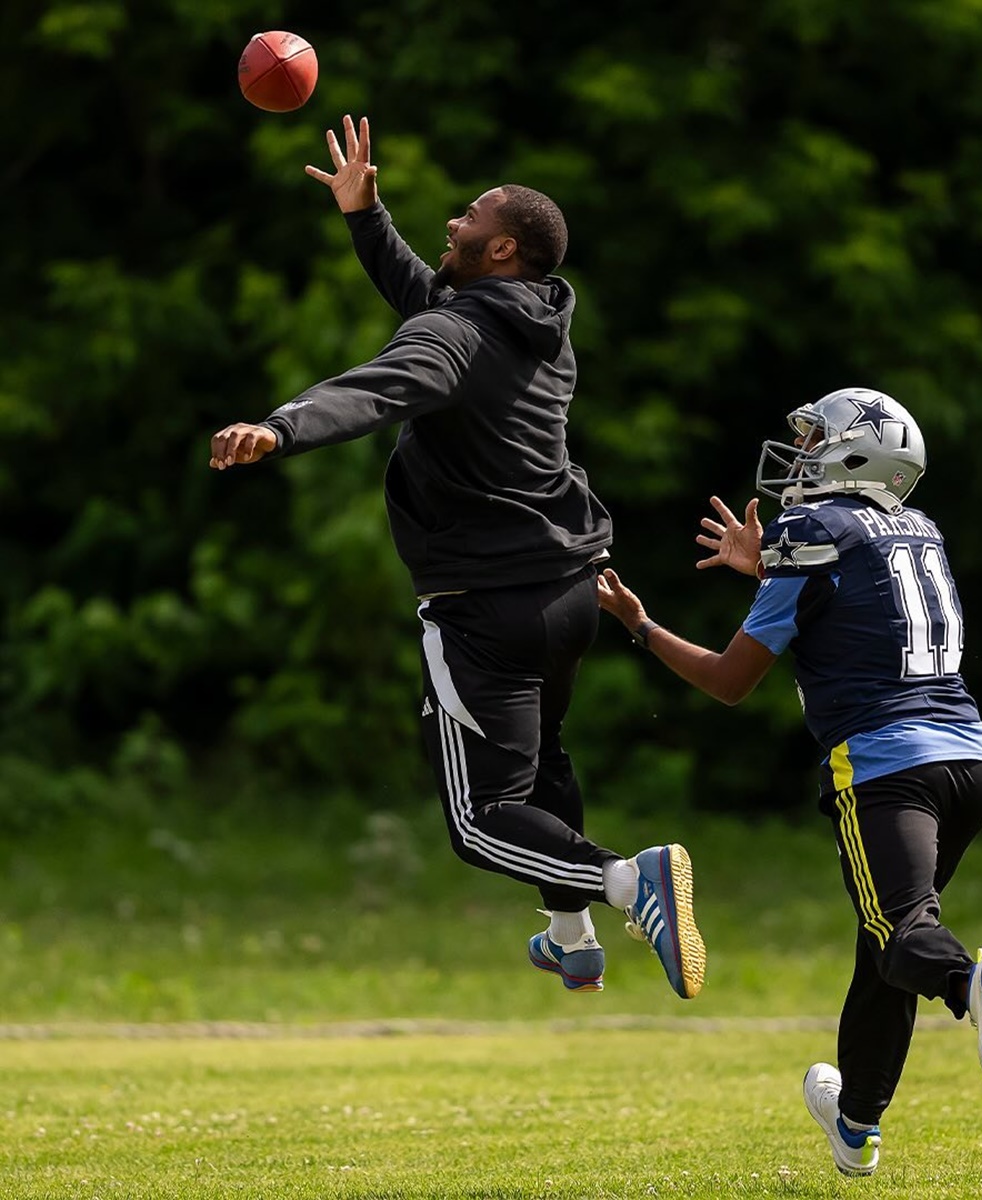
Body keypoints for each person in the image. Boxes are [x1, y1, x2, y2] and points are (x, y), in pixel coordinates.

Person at [208, 114, 705, 1002]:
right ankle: (572, 936)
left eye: (470, 217)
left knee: (480, 823)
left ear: (504, 246)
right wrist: (367, 218)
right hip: (569, 592)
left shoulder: (460, 337)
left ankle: (634, 885)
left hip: (486, 607)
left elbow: (379, 386)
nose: (453, 221)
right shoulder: (534, 324)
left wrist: (278, 427)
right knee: (543, 764)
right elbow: (438, 312)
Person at [597, 388, 982, 1174]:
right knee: (884, 945)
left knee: (902, 933)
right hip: (971, 761)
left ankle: (971, 986)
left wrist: (640, 626)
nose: (799, 456)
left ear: (858, 451)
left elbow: (733, 681)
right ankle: (857, 1126)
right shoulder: (918, 528)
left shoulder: (811, 528)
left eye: (813, 440)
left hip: (885, 769)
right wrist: (764, 566)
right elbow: (860, 606)